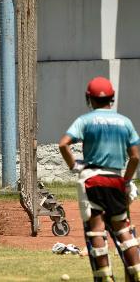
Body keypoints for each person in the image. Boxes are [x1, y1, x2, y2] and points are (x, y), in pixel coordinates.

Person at [59, 76, 140, 281]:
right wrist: (126, 181)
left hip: (92, 179)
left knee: (97, 231)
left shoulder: (85, 120)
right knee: (122, 228)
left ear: (89, 98)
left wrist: (74, 165)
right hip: (115, 180)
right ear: (111, 98)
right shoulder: (125, 122)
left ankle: (104, 277)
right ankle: (136, 271)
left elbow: (63, 144)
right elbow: (135, 157)